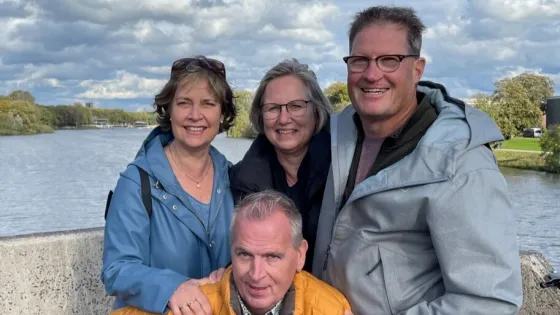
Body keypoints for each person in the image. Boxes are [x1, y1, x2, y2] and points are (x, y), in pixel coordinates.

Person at [312, 6, 523, 315]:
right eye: (360, 60)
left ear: (417, 69)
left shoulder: (461, 165)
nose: (372, 74)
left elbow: (490, 302)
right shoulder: (339, 132)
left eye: (389, 60)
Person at [102, 56, 237, 315]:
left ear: (222, 113)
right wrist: (172, 287)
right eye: (184, 103)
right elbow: (116, 269)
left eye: (208, 103)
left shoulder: (233, 178)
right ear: (169, 109)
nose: (195, 115)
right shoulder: (136, 182)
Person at [109, 190, 352, 315]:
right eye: (245, 255)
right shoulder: (196, 308)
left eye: (272, 257)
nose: (256, 275)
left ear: (300, 255)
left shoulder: (330, 308)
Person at [229, 59, 332, 272]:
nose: (284, 119)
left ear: (317, 110)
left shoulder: (343, 171)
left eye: (296, 106)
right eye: (273, 108)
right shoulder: (239, 181)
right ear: (261, 115)